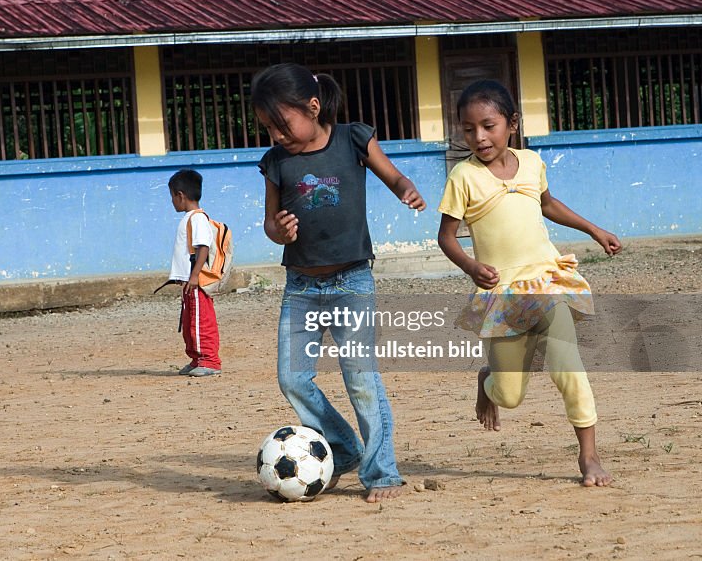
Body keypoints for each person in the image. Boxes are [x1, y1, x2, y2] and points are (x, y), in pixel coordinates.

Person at [253, 62, 426, 502]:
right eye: (268, 128)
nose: (276, 135)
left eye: (282, 124)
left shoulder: (354, 138)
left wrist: (406, 190)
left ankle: (382, 472)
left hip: (352, 282)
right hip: (301, 288)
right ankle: (345, 448)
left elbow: (393, 175)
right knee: (292, 378)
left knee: (361, 379)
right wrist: (281, 230)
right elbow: (270, 224)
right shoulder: (276, 162)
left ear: (312, 107)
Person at [436, 79, 620, 487]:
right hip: (501, 296)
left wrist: (594, 229)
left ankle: (588, 456)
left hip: (545, 283)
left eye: (488, 125)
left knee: (568, 368)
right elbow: (446, 236)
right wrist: (470, 266)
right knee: (510, 394)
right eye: (468, 129)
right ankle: (488, 380)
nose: (479, 137)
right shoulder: (463, 178)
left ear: (512, 123)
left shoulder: (532, 163)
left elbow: (549, 204)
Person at [167, 169, 222, 377]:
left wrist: (194, 276)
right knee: (191, 321)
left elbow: (203, 247)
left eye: (172, 196)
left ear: (180, 195)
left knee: (201, 321)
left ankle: (210, 360)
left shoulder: (197, 219)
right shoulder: (190, 218)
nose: (172, 201)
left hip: (196, 282)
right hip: (189, 282)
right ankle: (197, 358)